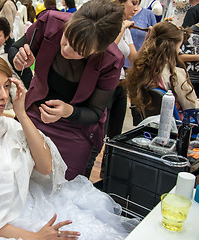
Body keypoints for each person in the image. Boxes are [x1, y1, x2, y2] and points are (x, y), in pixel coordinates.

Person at [0, 49, 137, 240]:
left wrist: (22, 115)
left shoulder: (11, 127)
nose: (3, 96)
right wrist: (35, 237)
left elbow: (46, 167)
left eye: (5, 86)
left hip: (30, 207)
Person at [9, 0, 125, 180]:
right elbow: (15, 48)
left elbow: (95, 112)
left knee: (62, 188)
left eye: (78, 50)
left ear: (98, 50)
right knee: (18, 174)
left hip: (76, 131)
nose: (66, 49)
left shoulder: (111, 61)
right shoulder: (50, 22)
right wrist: (19, 59)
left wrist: (68, 111)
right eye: (66, 38)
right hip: (33, 114)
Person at [85, 0, 139, 179]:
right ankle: (82, 181)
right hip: (103, 88)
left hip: (120, 86)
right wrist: (121, 28)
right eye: (134, 3)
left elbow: (135, 58)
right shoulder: (107, 24)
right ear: (122, 3)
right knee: (96, 139)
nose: (136, 8)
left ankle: (106, 179)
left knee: (115, 138)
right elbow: (106, 52)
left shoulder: (128, 30)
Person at [124, 21, 199, 116]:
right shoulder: (175, 74)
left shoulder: (143, 69)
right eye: (179, 47)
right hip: (173, 126)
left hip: (149, 123)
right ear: (172, 47)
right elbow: (192, 107)